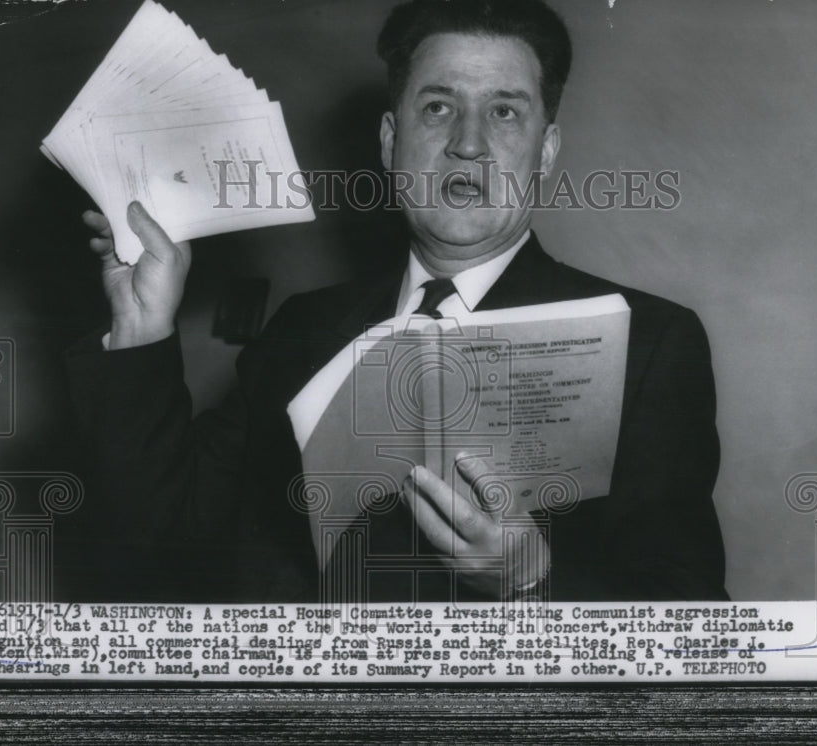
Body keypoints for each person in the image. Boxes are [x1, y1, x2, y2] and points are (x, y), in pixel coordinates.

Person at [68, 0, 728, 603]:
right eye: (438, 106)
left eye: (505, 111)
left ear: (545, 149)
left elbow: (687, 609)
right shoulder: (302, 329)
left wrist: (531, 578)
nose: (468, 143)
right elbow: (160, 541)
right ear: (390, 141)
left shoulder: (649, 343)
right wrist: (140, 323)